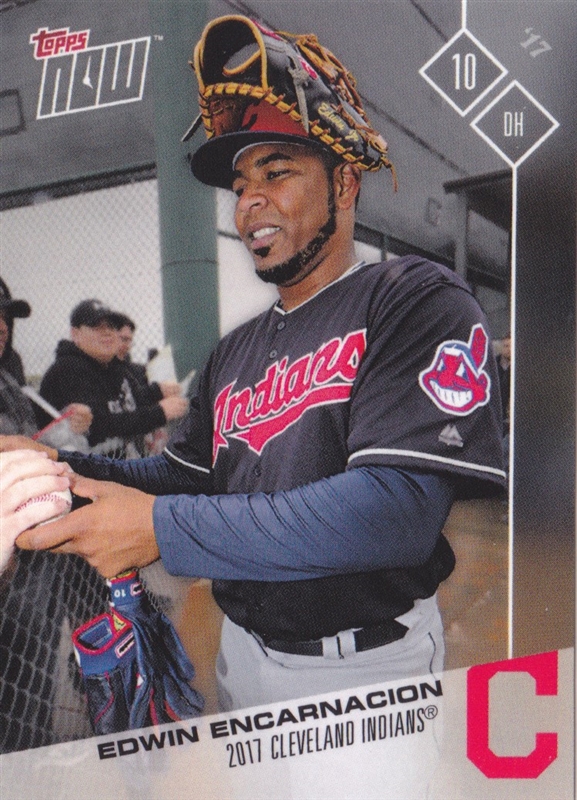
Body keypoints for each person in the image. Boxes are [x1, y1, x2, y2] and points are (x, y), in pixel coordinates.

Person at [4, 16, 506, 718]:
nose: (249, 203)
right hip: (242, 650)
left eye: (276, 172)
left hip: (365, 667)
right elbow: (185, 476)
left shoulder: (413, 298)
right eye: (240, 185)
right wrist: (61, 469)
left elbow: (396, 512)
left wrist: (163, 528)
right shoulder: (235, 349)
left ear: (344, 183)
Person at [36, 300, 188, 458]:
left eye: (111, 327)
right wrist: (160, 413)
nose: (107, 332)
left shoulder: (112, 366)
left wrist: (157, 391)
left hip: (114, 461)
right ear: (75, 334)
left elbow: (130, 401)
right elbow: (100, 425)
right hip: (76, 467)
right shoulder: (68, 370)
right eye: (97, 327)